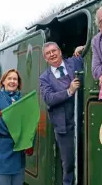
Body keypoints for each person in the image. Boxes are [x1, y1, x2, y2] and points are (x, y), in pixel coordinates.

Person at [39, 42, 83, 185]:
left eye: (54, 51)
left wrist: (82, 47)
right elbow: (49, 99)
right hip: (64, 126)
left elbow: (92, 52)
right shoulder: (44, 78)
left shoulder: (74, 62)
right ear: (45, 58)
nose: (52, 54)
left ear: (60, 51)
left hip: (84, 119)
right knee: (68, 163)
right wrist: (69, 91)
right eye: (48, 53)